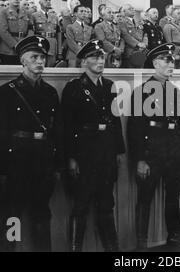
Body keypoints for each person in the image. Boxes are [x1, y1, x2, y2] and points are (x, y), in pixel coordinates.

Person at [0, 36, 62, 252]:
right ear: (23, 61)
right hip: (16, 162)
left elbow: (56, 132)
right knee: (13, 216)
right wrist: (1, 170)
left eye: (42, 57)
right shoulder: (7, 91)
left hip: (43, 161)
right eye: (34, 57)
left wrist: (56, 165)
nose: (40, 61)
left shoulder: (50, 92)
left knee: (42, 214)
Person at [62, 40, 125, 252]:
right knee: (81, 205)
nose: (100, 61)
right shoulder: (74, 87)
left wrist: (119, 150)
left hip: (106, 151)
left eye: (101, 57)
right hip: (84, 152)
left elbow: (115, 121)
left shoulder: (109, 86)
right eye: (94, 57)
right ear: (84, 61)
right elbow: (67, 125)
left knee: (107, 204)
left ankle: (112, 250)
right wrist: (70, 157)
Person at [128, 43, 180, 250]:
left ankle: (174, 235)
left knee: (174, 193)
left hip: (173, 151)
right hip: (152, 152)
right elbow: (135, 129)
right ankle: (141, 242)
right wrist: (140, 159)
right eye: (166, 60)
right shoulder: (142, 91)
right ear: (155, 63)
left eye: (172, 60)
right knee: (145, 196)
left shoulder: (175, 91)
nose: (171, 63)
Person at [0, 0, 34, 65]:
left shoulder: (27, 13)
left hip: (24, 47)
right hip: (8, 49)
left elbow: (31, 29)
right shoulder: (3, 12)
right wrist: (15, 45)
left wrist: (25, 43)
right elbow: (3, 31)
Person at [31, 0, 62, 67]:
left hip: (52, 46)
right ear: (40, 2)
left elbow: (58, 34)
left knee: (51, 68)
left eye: (49, 0)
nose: (48, 1)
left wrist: (59, 51)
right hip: (40, 45)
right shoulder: (34, 16)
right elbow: (32, 33)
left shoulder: (55, 17)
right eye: (45, 0)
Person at [118, 4, 147, 68]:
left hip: (141, 51)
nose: (133, 10)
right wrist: (138, 44)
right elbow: (125, 35)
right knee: (130, 73)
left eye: (133, 8)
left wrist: (145, 43)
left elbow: (144, 33)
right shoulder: (121, 22)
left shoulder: (137, 21)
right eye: (130, 9)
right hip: (130, 51)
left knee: (140, 74)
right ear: (124, 12)